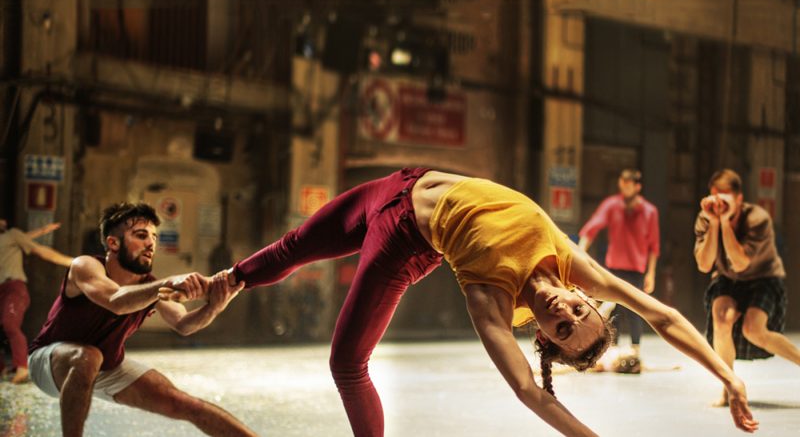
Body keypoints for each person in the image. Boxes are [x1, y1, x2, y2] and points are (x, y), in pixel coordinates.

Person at [166, 168, 757, 436]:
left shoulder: (488, 300)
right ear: (584, 298)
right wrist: (727, 377)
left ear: (545, 337)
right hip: (396, 184)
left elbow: (530, 391)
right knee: (293, 245)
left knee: (346, 363)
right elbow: (664, 314)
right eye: (581, 313)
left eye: (562, 329)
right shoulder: (574, 263)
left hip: (403, 242)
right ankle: (221, 290)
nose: (567, 313)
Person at [27, 203, 256, 437]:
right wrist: (169, 282)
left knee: (185, 404)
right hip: (48, 362)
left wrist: (214, 307)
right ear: (113, 243)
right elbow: (116, 300)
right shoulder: (86, 266)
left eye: (154, 237)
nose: (151, 244)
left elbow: (184, 324)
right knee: (87, 357)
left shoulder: (149, 284)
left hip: (105, 365)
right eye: (141, 235)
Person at [695, 168, 800, 406]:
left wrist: (725, 223)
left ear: (739, 198)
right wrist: (714, 223)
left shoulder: (757, 218)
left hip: (762, 278)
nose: (718, 203)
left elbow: (741, 262)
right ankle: (729, 386)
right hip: (728, 278)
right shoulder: (705, 217)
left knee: (754, 330)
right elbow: (704, 264)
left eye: (725, 198)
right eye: (714, 197)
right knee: (721, 318)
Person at [578, 169, 660, 367]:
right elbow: (591, 229)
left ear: (637, 186)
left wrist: (651, 273)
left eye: (629, 183)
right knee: (612, 308)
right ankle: (612, 349)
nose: (624, 187)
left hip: (636, 268)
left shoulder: (649, 211)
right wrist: (579, 254)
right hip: (614, 267)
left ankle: (635, 349)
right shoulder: (612, 205)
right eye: (622, 183)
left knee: (636, 310)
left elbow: (654, 245)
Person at [0, 218, 73, 384]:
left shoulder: (12, 235)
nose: (3, 221)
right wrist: (43, 230)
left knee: (9, 324)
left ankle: (22, 367)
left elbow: (40, 250)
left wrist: (71, 261)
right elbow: (26, 236)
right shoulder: (9, 238)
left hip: (13, 287)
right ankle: (2, 368)